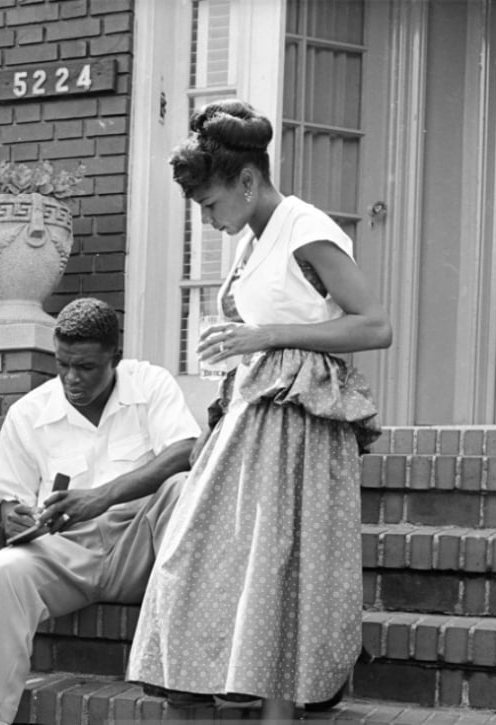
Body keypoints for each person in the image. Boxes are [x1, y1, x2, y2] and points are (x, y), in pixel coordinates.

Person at [127, 99, 392, 722]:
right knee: (195, 561)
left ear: (248, 181)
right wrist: (239, 344)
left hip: (299, 423)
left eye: (213, 204)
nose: (209, 220)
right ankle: (199, 689)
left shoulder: (306, 228)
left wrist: (264, 334)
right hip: (250, 418)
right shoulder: (253, 239)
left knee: (284, 573)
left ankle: (279, 713)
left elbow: (375, 325)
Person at [0, 297, 201, 725]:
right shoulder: (27, 414)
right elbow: (9, 507)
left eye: (86, 367)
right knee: (4, 568)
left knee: (182, 487)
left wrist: (100, 497)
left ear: (116, 357)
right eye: (63, 364)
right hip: (65, 555)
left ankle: (185, 674)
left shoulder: (150, 384)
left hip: (141, 549)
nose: (71, 378)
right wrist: (17, 519)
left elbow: (186, 450)